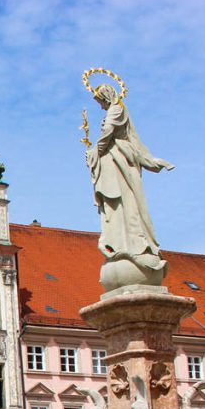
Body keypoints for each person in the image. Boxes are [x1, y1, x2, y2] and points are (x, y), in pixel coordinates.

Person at [85, 83, 174, 274]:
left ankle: (136, 243)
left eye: (100, 101)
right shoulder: (113, 111)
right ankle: (120, 243)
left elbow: (108, 133)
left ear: (106, 97)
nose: (100, 106)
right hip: (112, 162)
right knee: (115, 208)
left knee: (128, 203)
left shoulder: (116, 110)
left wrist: (95, 153)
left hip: (120, 161)